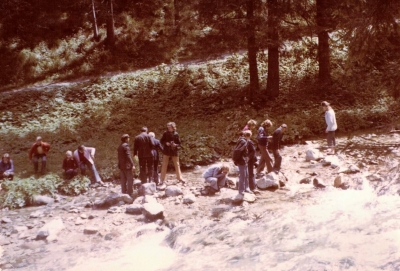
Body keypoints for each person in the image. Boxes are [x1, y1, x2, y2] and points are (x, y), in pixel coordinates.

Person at [233, 130, 252, 195]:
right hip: (241, 161)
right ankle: (241, 190)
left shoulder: (240, 140)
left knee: (246, 175)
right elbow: (238, 151)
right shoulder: (243, 142)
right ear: (248, 136)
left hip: (244, 160)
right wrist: (237, 160)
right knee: (242, 176)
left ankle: (247, 188)